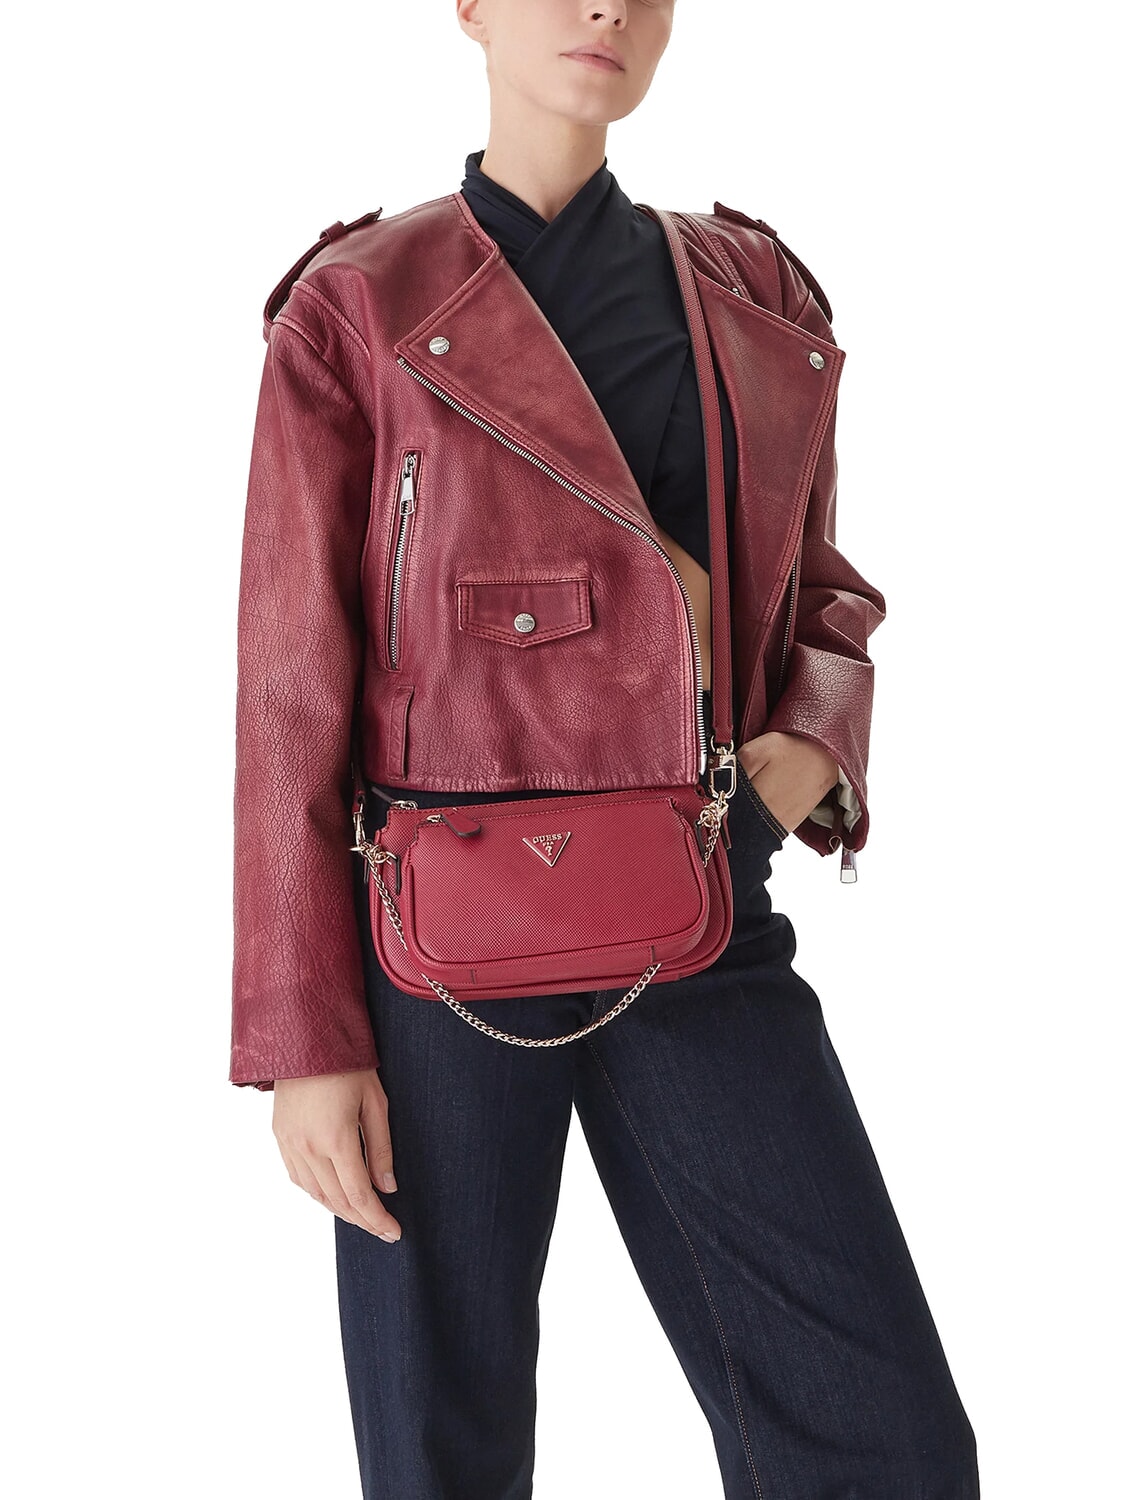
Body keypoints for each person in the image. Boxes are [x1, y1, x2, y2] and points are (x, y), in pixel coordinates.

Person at [229, 2, 980, 1495]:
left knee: (884, 1437)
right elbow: (288, 689)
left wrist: (808, 746)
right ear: (468, 8)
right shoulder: (360, 303)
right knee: (440, 1449)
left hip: (700, 901)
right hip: (436, 935)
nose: (604, 10)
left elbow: (817, 584)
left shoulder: (747, 286)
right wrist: (303, 1038)